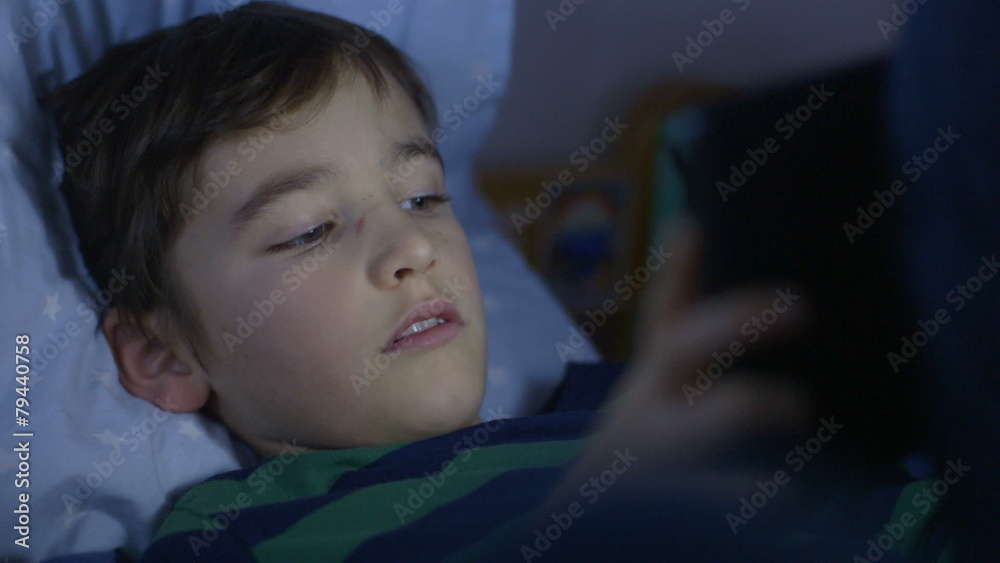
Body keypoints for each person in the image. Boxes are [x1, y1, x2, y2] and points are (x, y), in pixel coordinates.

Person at [44, 3, 941, 560]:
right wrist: (625, 514)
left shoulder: (609, 401)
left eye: (425, 197)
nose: (413, 246)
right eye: (310, 229)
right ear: (164, 352)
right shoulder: (241, 535)